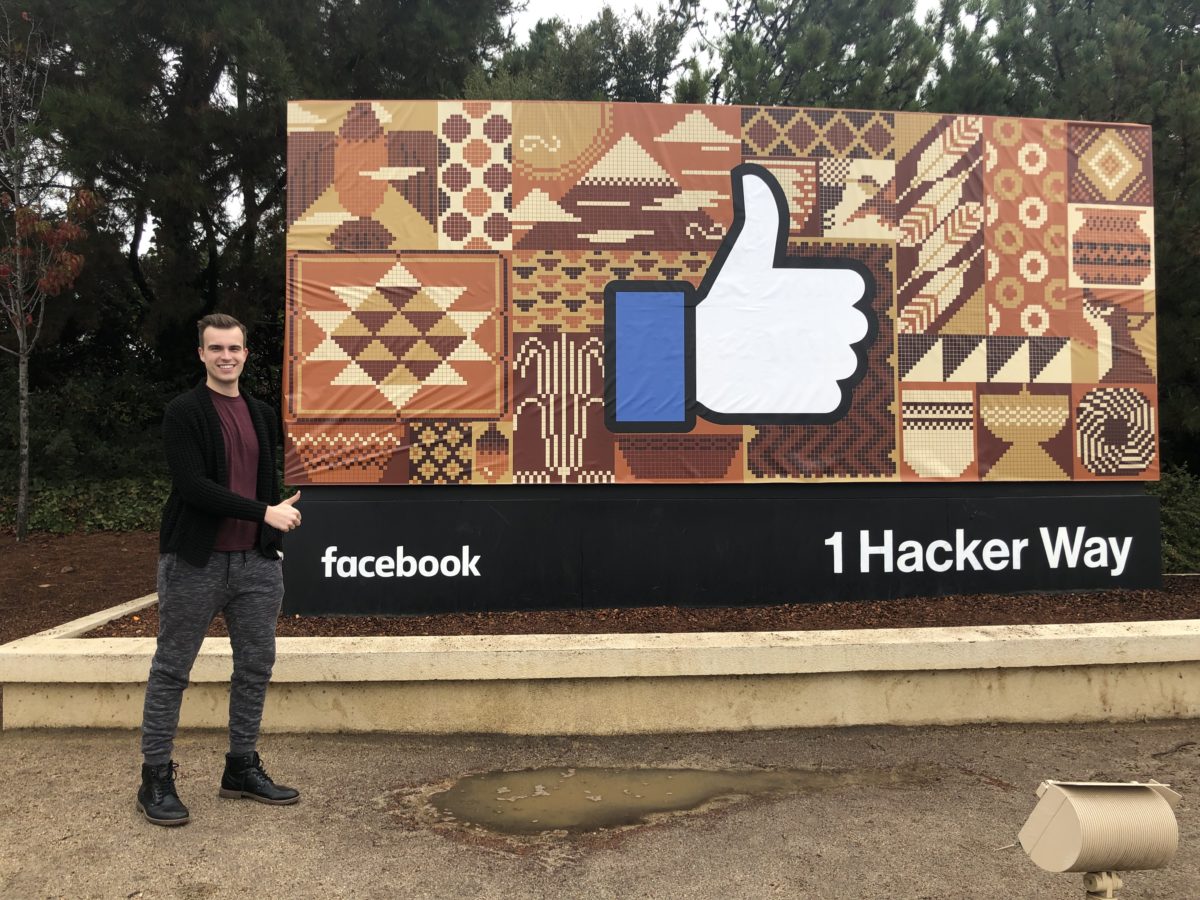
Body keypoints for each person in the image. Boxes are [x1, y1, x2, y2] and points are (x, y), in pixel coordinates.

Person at [137, 313, 303, 827]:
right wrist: (265, 513)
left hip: (255, 563)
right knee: (172, 669)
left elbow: (263, 481)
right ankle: (155, 778)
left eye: (234, 348)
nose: (226, 356)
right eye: (216, 349)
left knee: (255, 668)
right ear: (202, 354)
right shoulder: (183, 412)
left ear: (246, 354)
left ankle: (240, 768)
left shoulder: (260, 412)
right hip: (196, 562)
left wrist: (269, 533)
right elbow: (193, 487)